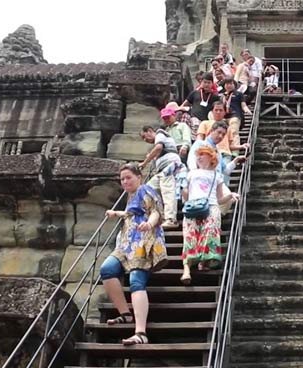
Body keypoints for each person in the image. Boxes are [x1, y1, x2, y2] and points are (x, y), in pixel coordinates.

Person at [100, 163, 167, 345]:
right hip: (126, 243)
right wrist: (117, 213)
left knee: (136, 280)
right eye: (122, 179)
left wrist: (150, 224)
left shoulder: (146, 189)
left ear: (139, 176)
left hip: (142, 241)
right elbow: (132, 214)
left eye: (128, 177)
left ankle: (140, 333)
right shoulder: (131, 196)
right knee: (107, 269)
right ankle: (125, 314)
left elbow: (155, 212)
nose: (125, 181)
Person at [180, 147, 239, 284]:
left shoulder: (216, 175)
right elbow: (185, 194)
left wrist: (230, 195)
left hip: (211, 206)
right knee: (189, 235)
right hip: (192, 207)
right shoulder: (191, 173)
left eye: (202, 155)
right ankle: (187, 269)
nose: (199, 158)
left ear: (211, 157)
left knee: (209, 233)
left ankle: (204, 260)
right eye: (198, 155)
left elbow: (219, 199)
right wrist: (182, 188)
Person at [138, 125, 183, 230]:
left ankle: (171, 219)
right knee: (148, 189)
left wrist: (145, 163)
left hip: (169, 167)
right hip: (161, 170)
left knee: (168, 191)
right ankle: (159, 216)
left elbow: (159, 148)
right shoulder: (160, 139)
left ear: (150, 131)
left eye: (145, 137)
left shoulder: (159, 133)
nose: (145, 140)